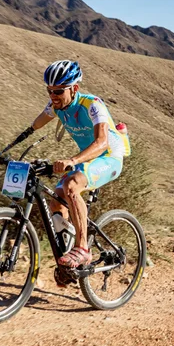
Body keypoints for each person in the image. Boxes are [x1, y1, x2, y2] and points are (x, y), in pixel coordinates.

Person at [30, 60, 130, 269]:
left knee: (72, 186)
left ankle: (83, 248)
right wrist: (8, 150)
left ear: (74, 88)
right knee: (56, 199)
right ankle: (68, 262)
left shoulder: (92, 104)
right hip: (87, 160)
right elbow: (34, 126)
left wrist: (72, 161)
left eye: (58, 90)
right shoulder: (56, 106)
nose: (53, 95)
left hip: (109, 156)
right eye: (49, 90)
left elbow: (102, 143)